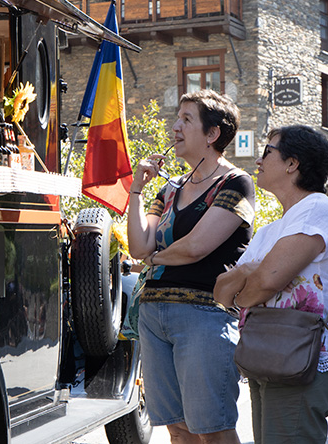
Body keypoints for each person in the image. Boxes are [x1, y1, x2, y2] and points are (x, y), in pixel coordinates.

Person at [128, 89, 255, 444]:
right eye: (177, 118)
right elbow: (138, 245)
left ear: (213, 134)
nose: (175, 127)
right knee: (178, 430)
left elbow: (196, 248)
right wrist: (137, 190)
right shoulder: (169, 189)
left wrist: (153, 259)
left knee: (212, 429)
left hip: (204, 314)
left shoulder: (236, 183)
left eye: (186, 119)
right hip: (154, 316)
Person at [214, 125, 328, 444]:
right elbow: (222, 294)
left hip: (303, 359)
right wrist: (249, 270)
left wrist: (248, 283)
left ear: (293, 163)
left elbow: (266, 282)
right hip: (272, 355)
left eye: (267, 152)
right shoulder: (271, 230)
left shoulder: (318, 209)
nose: (258, 161)